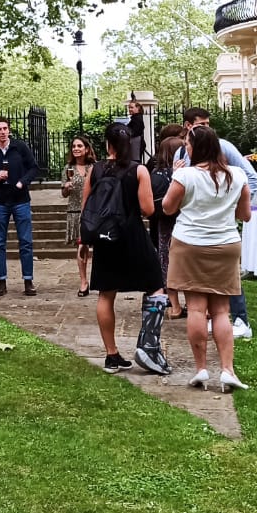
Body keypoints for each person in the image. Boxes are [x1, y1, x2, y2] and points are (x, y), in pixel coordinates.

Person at [161, 124, 253, 391]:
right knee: (222, 310)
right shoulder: (237, 175)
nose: (185, 148)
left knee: (197, 309)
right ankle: (227, 369)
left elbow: (167, 208)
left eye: (188, 145)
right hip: (225, 244)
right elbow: (245, 215)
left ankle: (201, 368)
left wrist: (174, 177)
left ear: (196, 148)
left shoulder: (186, 175)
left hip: (189, 244)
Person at [83, 123, 166, 374]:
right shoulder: (138, 170)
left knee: (106, 295)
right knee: (155, 286)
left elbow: (88, 204)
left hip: (105, 239)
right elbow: (148, 210)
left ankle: (111, 355)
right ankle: (148, 345)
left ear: (107, 143)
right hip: (132, 236)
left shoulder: (95, 170)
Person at [176, 107, 257, 340]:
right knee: (199, 279)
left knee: (227, 276)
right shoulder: (181, 155)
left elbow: (250, 178)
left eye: (208, 124)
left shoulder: (224, 147)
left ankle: (240, 319)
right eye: (201, 124)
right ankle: (210, 320)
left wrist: (232, 206)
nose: (207, 128)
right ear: (188, 126)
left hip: (221, 226)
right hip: (193, 229)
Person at [0, 117, 40, 296]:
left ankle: (28, 280)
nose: (3, 132)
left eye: (5, 128)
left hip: (21, 200)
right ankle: (1, 281)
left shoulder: (19, 147)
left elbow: (33, 168)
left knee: (26, 242)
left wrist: (23, 182)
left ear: (9, 130)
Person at [154, 134, 188, 319]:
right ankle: (189, 304)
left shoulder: (155, 174)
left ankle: (174, 306)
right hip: (180, 220)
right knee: (184, 262)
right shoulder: (181, 174)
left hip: (163, 224)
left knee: (166, 261)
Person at [62, 135, 97, 297]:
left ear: (87, 149)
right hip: (76, 211)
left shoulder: (94, 167)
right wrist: (67, 188)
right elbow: (63, 193)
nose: (76, 148)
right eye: (74, 146)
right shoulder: (68, 168)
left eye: (79, 146)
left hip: (94, 212)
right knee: (81, 247)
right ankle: (83, 281)